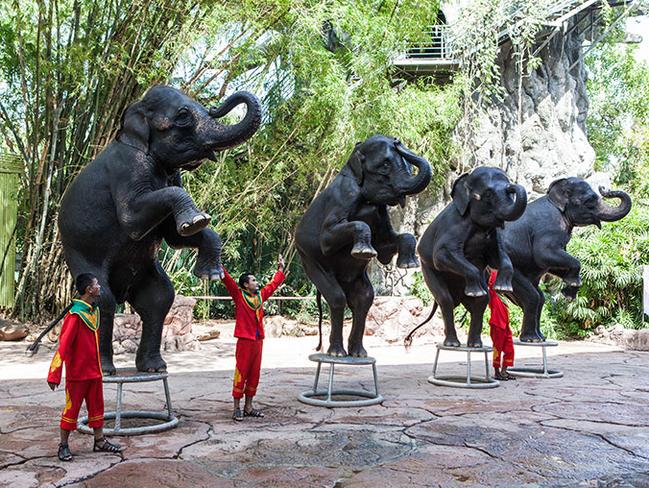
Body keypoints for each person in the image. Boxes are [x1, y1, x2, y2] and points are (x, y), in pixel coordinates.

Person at [48, 273, 122, 461]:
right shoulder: (75, 316)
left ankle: (99, 441)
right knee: (71, 409)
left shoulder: (92, 311)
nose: (99, 286)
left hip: (94, 372)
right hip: (77, 374)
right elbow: (63, 346)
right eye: (96, 284)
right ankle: (63, 445)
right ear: (89, 289)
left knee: (97, 407)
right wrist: (54, 374)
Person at [221, 256, 285, 421]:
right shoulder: (239, 295)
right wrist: (217, 263)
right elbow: (227, 281)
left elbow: (273, 285)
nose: (257, 283)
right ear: (245, 285)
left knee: (254, 373)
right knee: (241, 372)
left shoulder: (260, 296)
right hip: (244, 340)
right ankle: (236, 408)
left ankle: (248, 407)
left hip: (258, 341)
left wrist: (280, 270)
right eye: (254, 280)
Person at [487, 269, 516, 381]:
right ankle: (497, 372)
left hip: (505, 327)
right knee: (497, 349)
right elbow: (492, 282)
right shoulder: (493, 295)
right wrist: (497, 268)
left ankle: (504, 371)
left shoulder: (504, 298)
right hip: (497, 326)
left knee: (510, 350)